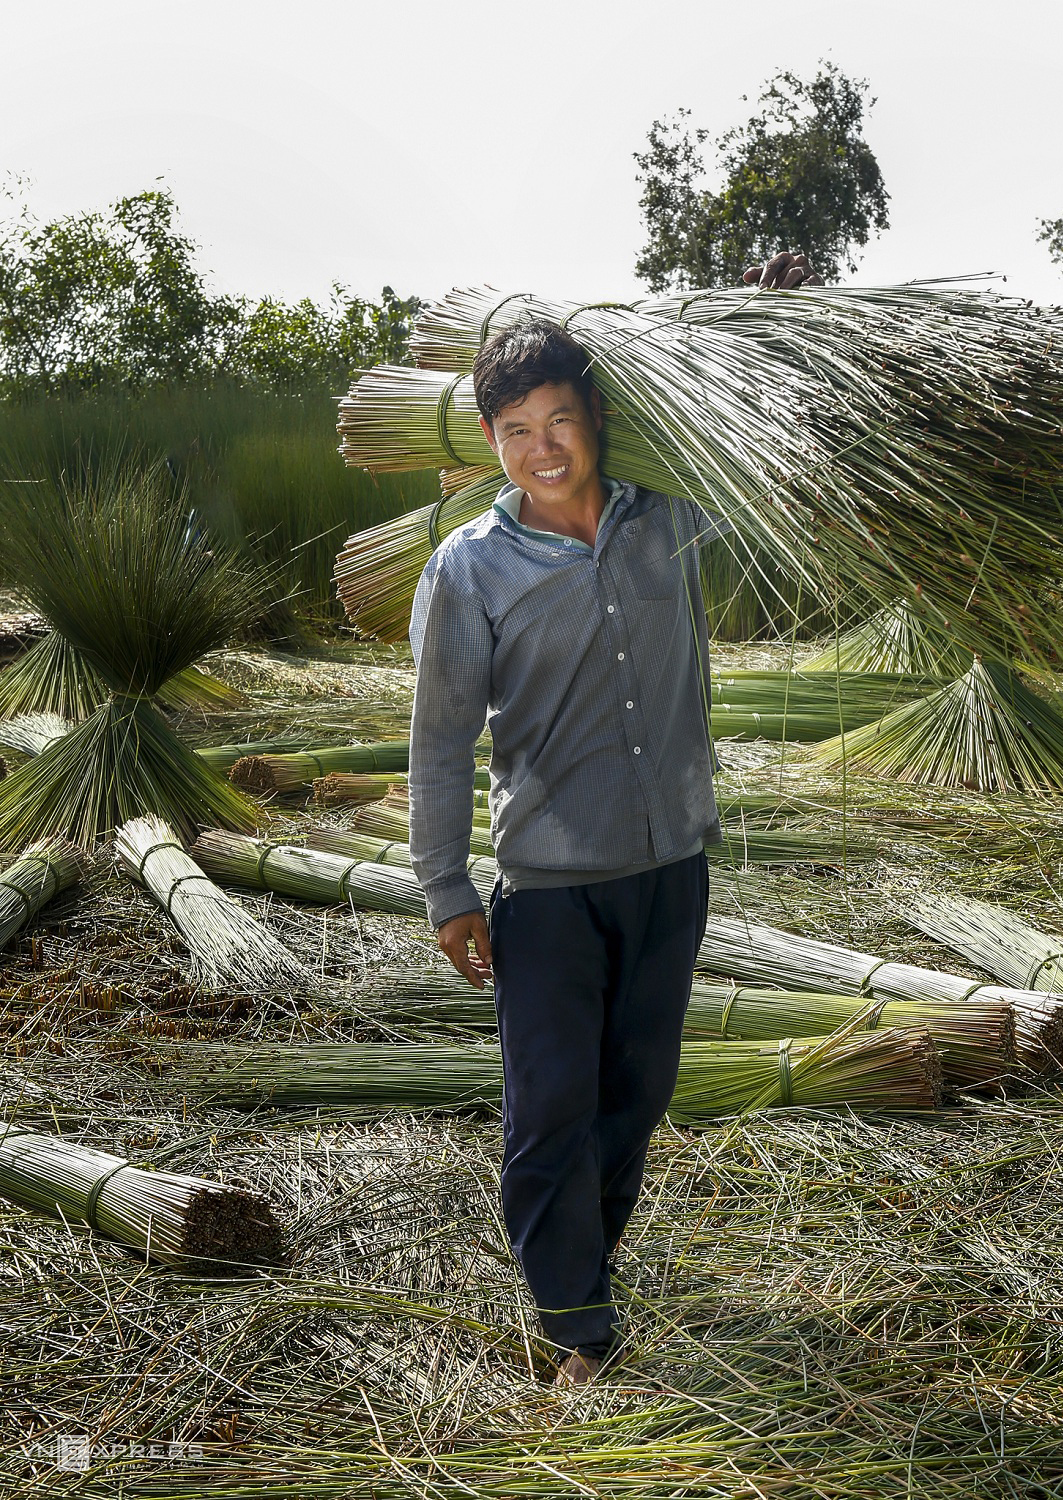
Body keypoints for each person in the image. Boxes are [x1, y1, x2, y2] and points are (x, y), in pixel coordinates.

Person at [407, 251, 819, 1385]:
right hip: (545, 884)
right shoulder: (467, 570)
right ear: (489, 441)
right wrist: (445, 889)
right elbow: (439, 741)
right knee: (549, 1115)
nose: (543, 448)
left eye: (560, 419)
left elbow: (758, 444)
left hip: (670, 870)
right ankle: (578, 1333)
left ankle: (585, 1280)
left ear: (596, 417)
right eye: (516, 430)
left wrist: (758, 323)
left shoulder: (668, 524)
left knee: (633, 1105)